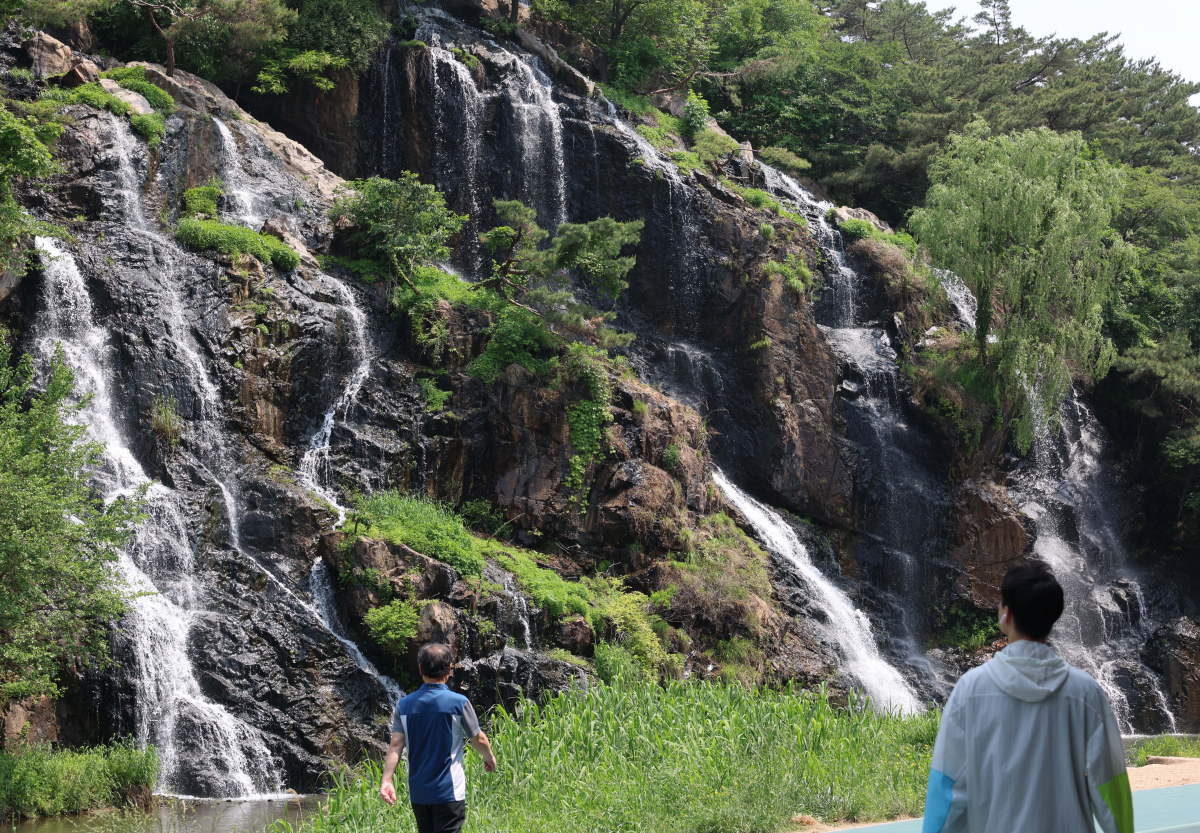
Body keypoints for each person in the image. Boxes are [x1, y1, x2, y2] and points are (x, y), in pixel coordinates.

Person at [922, 561, 1134, 833]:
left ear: (1005, 613)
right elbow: (1110, 782)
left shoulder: (970, 690)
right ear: (1052, 617)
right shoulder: (1085, 693)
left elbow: (947, 785)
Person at [380, 642, 497, 833]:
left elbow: (395, 745)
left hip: (418, 793)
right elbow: (478, 739)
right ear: (450, 669)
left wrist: (387, 781)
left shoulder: (404, 705)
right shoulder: (459, 703)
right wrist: (489, 757)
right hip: (448, 791)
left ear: (420, 669)